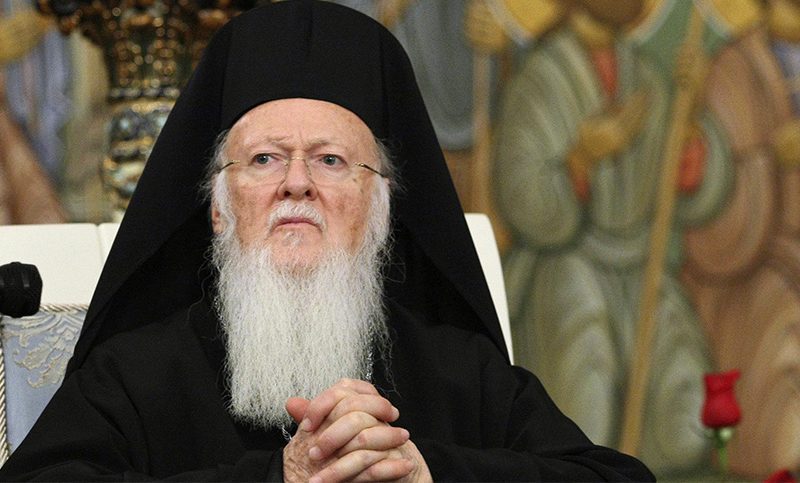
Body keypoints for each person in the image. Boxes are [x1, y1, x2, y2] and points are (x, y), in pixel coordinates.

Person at [0, 1, 653, 480]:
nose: (297, 183)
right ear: (219, 208)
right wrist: (277, 478)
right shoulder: (136, 376)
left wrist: (426, 470)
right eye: (264, 159)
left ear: (381, 209)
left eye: (332, 160)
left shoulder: (461, 373)